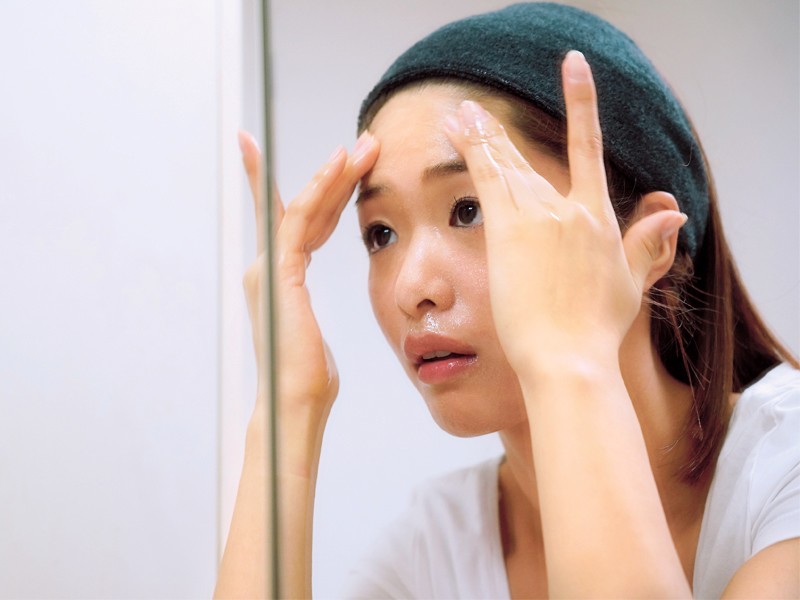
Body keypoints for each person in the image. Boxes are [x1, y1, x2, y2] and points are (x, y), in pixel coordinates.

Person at [214, 3, 799, 598]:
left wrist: (571, 362)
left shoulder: (787, 470)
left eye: (468, 209)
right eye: (381, 233)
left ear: (651, 246)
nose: (412, 288)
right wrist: (287, 405)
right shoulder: (432, 553)